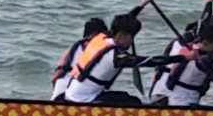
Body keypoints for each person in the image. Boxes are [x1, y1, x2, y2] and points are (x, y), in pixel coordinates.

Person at [63, 13, 191, 106]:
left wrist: (140, 8)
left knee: (127, 98)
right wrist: (183, 57)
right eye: (131, 37)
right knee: (132, 103)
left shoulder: (102, 37)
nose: (131, 41)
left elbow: (120, 24)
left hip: (74, 93)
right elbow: (147, 61)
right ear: (121, 35)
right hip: (83, 99)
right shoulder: (115, 56)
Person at [52, 0, 152, 101]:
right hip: (68, 92)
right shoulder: (96, 48)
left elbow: (121, 26)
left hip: (71, 91)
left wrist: (140, 7)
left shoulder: (94, 44)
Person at [51, 18, 107, 101]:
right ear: (96, 35)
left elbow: (56, 77)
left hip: (57, 98)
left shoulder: (71, 49)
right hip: (75, 100)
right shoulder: (94, 47)